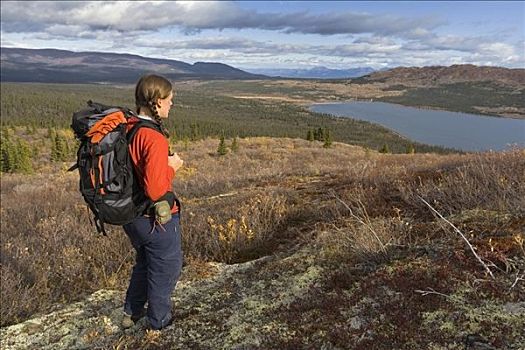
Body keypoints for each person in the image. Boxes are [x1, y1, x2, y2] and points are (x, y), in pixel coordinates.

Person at [121, 74, 184, 330]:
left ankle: (131, 313)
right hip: (152, 219)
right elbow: (156, 189)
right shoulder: (154, 138)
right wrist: (173, 167)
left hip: (132, 215)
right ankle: (159, 323)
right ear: (157, 102)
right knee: (165, 267)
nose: (171, 105)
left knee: (145, 262)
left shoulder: (129, 125)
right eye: (169, 100)